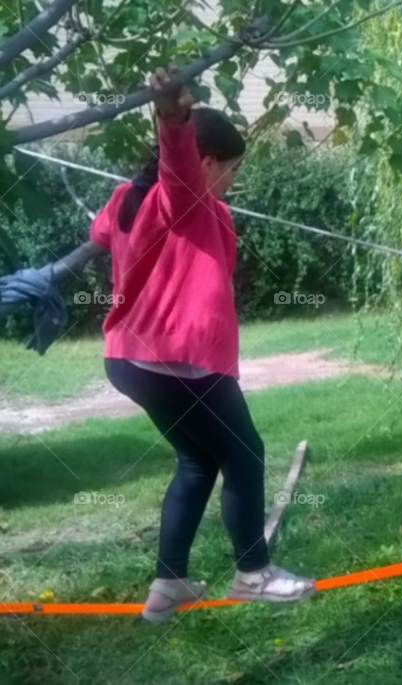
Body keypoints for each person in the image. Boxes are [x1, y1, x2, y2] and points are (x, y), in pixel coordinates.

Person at [89, 67, 314, 621]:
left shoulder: (130, 199)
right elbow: (178, 173)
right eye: (233, 169)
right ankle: (253, 573)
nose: (233, 180)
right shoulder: (181, 196)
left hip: (131, 360)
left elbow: (101, 233)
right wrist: (173, 117)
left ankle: (168, 584)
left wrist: (139, 199)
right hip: (178, 360)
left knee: (197, 460)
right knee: (245, 455)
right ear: (206, 163)